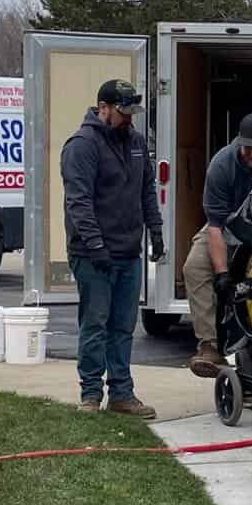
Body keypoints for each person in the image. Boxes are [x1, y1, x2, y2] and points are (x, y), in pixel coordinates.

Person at [60, 77, 164, 417]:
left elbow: (147, 190)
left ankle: (122, 393)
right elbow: (79, 203)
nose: (128, 117)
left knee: (123, 326)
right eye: (122, 111)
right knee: (95, 323)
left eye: (131, 111)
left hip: (127, 251)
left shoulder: (134, 142)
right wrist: (95, 246)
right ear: (102, 108)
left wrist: (156, 230)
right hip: (92, 255)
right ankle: (91, 394)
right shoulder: (81, 145)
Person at [183, 111, 252, 376]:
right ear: (239, 142)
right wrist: (222, 274)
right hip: (226, 226)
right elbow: (215, 226)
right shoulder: (222, 164)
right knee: (195, 267)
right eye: (247, 149)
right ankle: (209, 346)